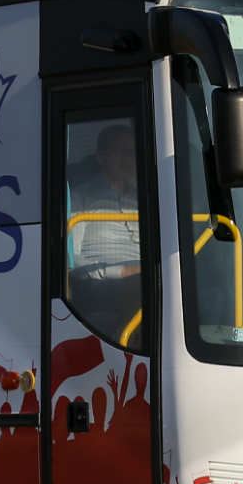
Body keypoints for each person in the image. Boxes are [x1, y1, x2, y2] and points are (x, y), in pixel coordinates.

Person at [66, 123, 143, 342]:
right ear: (101, 157)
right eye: (122, 152)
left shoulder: (144, 199)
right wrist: (122, 272)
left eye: (132, 153)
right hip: (101, 286)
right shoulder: (80, 198)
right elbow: (73, 259)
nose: (129, 160)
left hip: (146, 276)